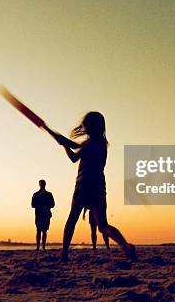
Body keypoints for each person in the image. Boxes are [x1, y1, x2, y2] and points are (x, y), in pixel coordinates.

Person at [46, 112, 136, 262]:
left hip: (84, 184)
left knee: (72, 219)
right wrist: (64, 144)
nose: (85, 128)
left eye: (88, 125)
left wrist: (61, 141)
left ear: (95, 126)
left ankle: (64, 253)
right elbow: (75, 154)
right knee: (102, 225)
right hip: (99, 185)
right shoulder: (101, 143)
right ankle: (125, 245)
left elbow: (74, 154)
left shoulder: (92, 143)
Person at [31, 179, 55, 251]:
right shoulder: (36, 194)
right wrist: (40, 205)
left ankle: (43, 246)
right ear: (39, 185)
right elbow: (32, 205)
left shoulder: (49, 194)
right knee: (38, 231)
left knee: (44, 231)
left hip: (46, 214)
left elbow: (53, 204)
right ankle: (38, 246)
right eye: (41, 184)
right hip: (39, 214)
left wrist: (46, 206)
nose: (42, 185)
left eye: (43, 184)